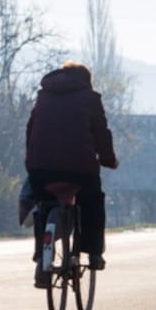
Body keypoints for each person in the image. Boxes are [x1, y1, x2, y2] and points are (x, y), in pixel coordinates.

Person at [25, 61, 119, 288]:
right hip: (80, 169)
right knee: (92, 202)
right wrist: (108, 160)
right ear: (86, 80)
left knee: (43, 205)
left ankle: (41, 258)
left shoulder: (43, 96)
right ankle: (94, 253)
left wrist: (32, 162)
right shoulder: (90, 99)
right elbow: (101, 134)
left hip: (40, 168)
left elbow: (30, 130)